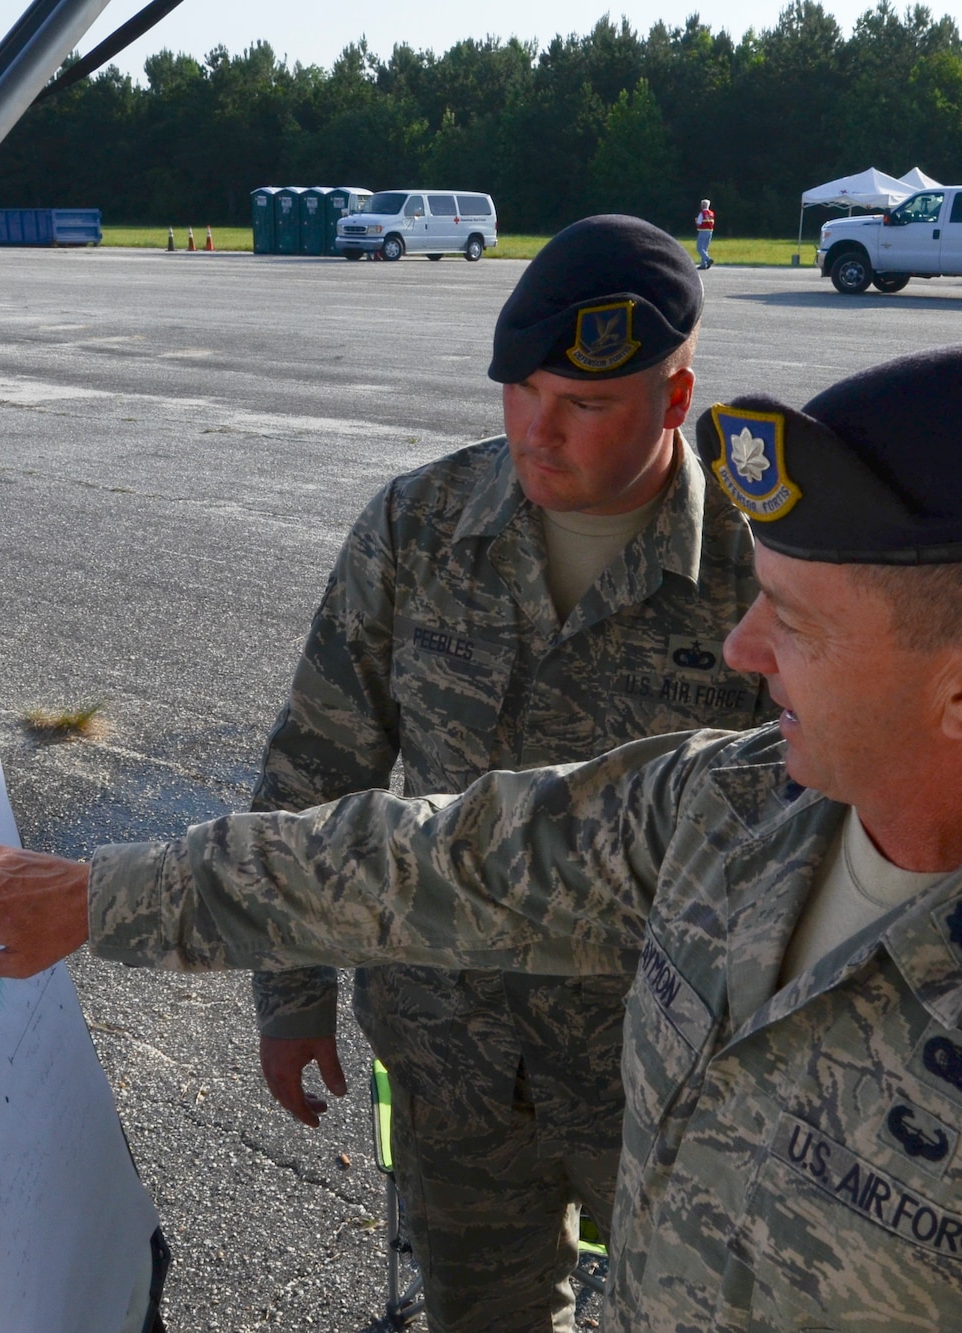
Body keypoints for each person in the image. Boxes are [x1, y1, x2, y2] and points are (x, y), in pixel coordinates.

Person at [0, 343, 962, 1330]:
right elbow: (420, 860)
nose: (741, 655)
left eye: (791, 622)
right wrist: (93, 898)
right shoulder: (733, 815)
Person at [248, 213, 771, 1332]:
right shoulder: (419, 527)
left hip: (671, 1080)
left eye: (584, 405)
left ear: (673, 402)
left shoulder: (761, 563)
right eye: (521, 391)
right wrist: (291, 993)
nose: (539, 430)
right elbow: (315, 764)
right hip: (453, 1067)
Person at [694, 199, 715, 270]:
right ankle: (703, 264)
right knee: (705, 248)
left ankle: (708, 259)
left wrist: (696, 221)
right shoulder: (711, 213)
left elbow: (699, 223)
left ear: (703, 205)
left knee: (699, 248)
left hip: (703, 231)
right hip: (710, 231)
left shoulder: (702, 213)